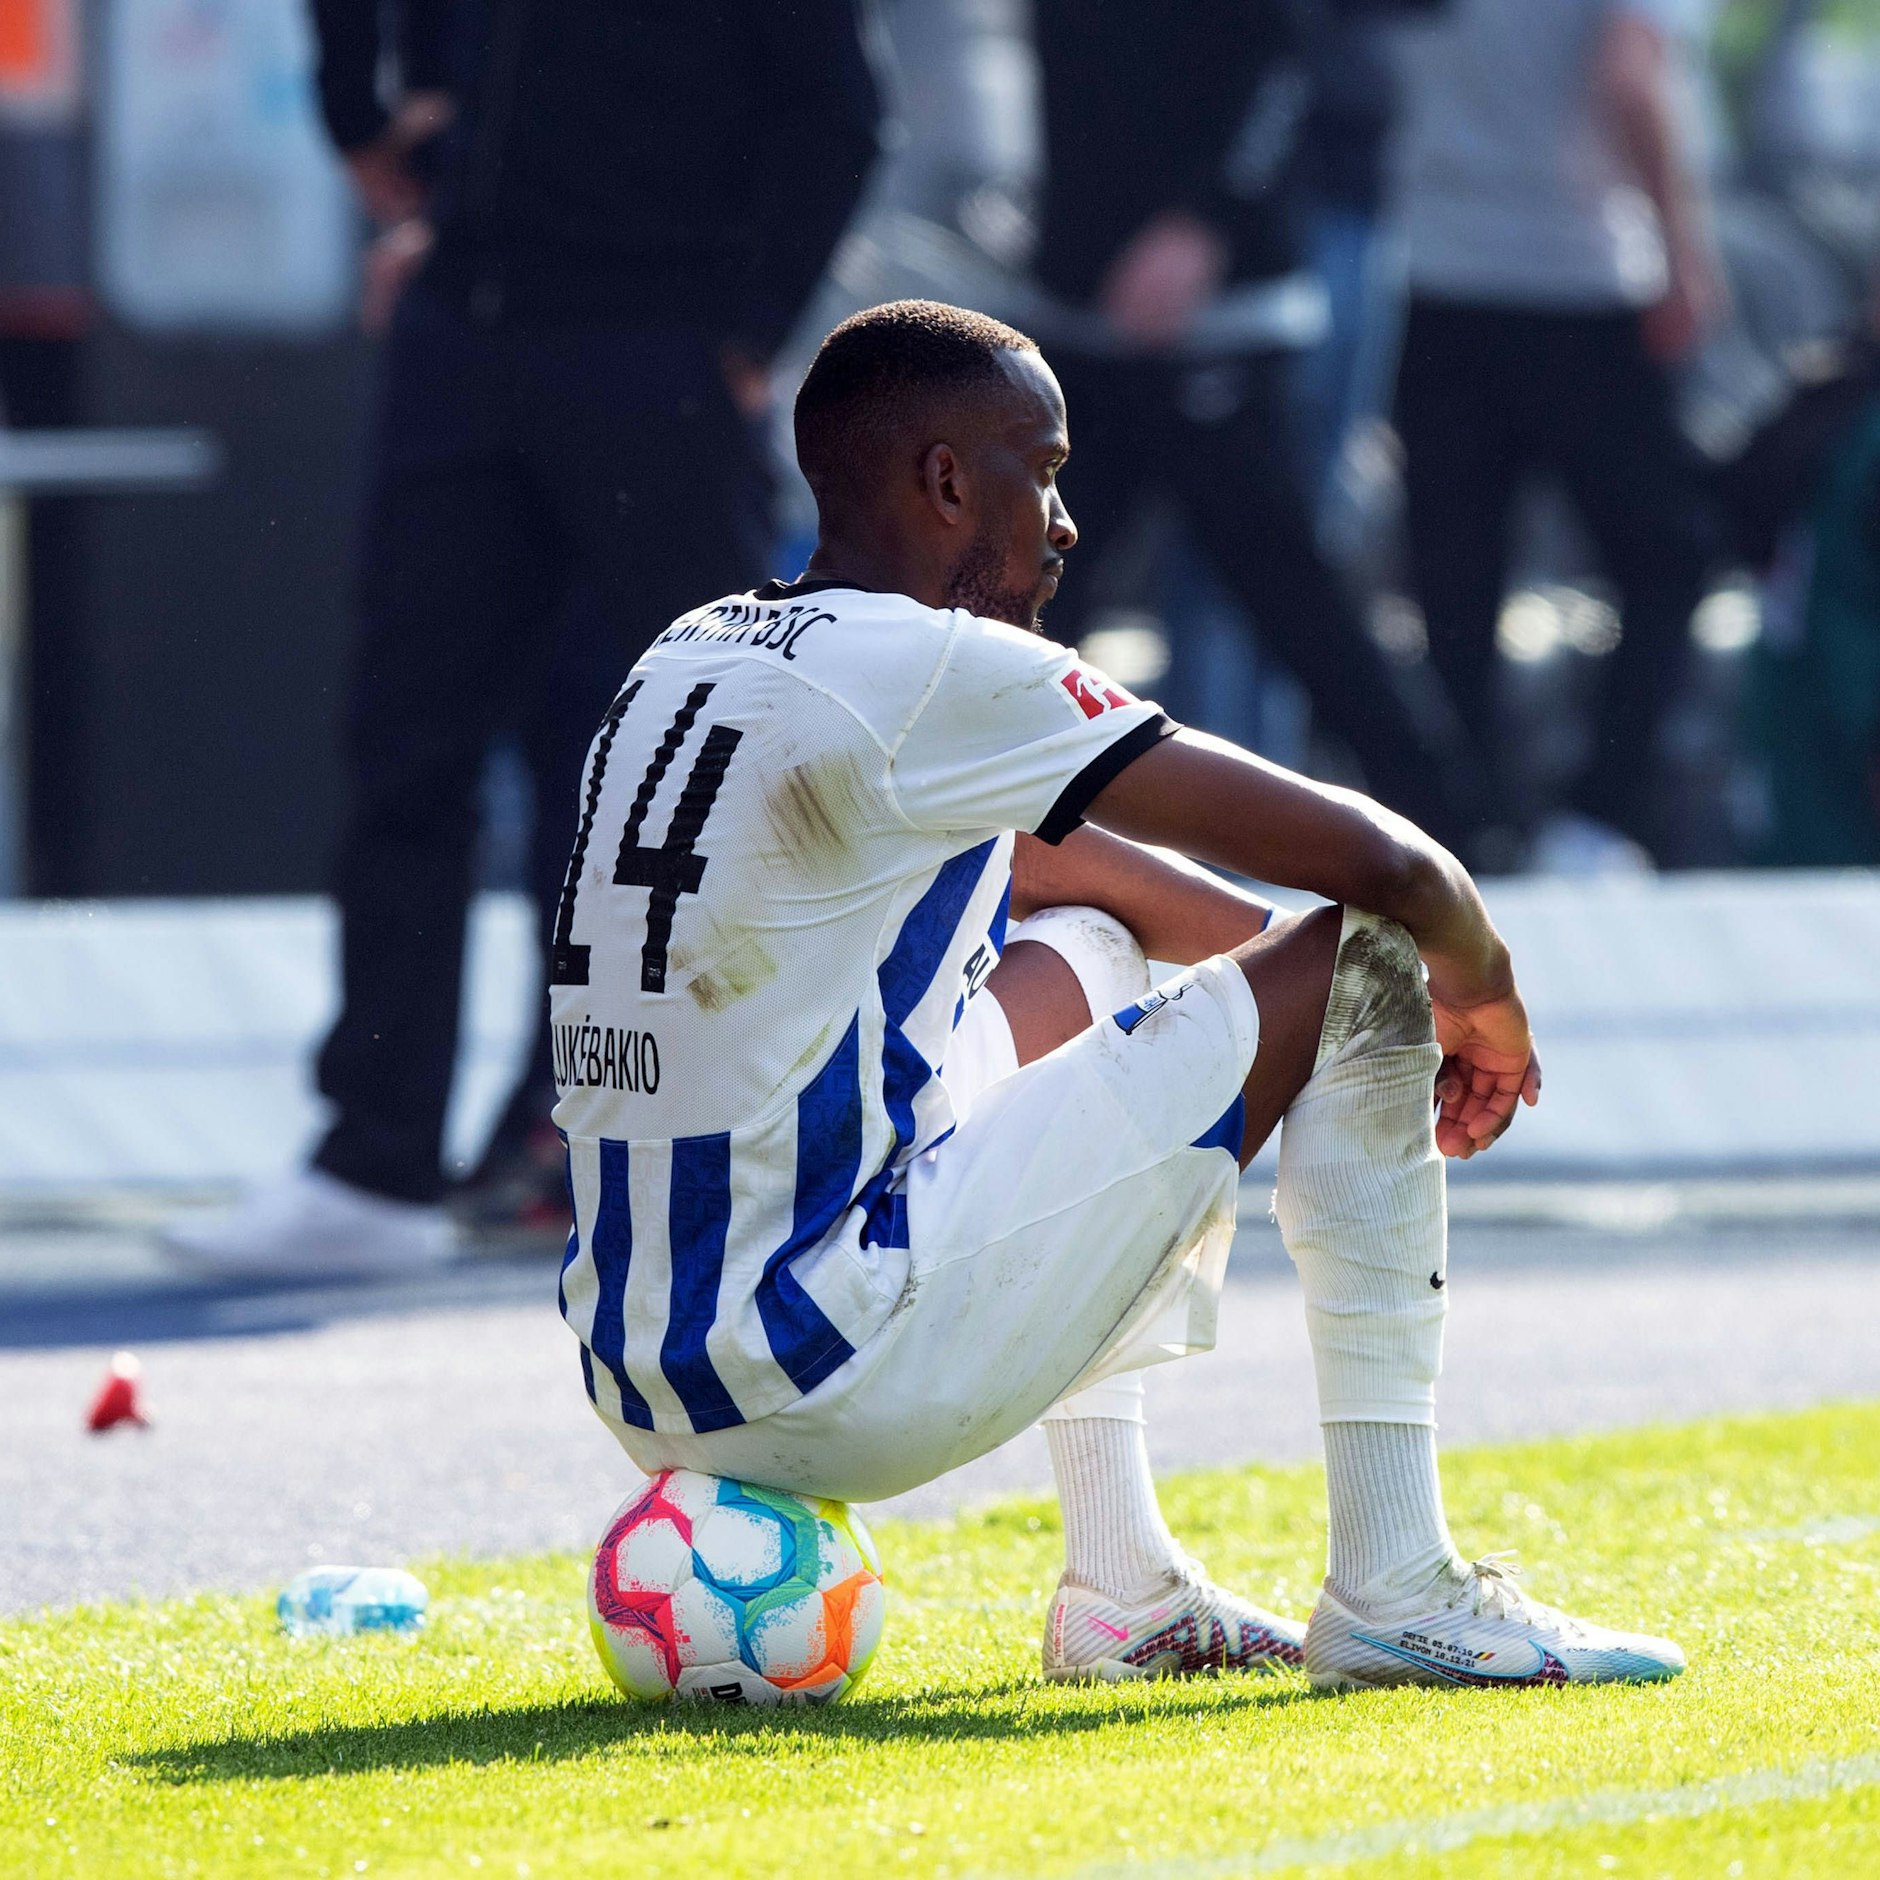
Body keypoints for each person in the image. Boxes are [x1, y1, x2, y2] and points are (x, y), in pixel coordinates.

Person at [558, 299, 1685, 1688]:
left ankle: (1125, 1586)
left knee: (1097, 948)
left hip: (647, 1370)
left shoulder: (693, 648)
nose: (1065, 520)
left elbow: (1049, 862)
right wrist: (1472, 997)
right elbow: (1391, 866)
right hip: (818, 1369)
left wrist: (1306, 1022)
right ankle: (1398, 1586)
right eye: (1041, 470)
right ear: (945, 480)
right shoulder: (932, 669)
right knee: (1371, 950)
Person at [163, 1, 880, 1275]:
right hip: (466, 320)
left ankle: (736, 1152)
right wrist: (356, 106)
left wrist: (747, 331)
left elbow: (840, 110)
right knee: (405, 750)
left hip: (658, 336)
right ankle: (375, 1164)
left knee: (701, 769)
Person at [1018, 0, 1492, 863]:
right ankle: (978, 835)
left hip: (1219, 316)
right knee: (1027, 599)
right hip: (1082, 313)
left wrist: (1205, 219)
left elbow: (1280, 61)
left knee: (1293, 598)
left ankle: (1455, 830)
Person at [1389, 0, 1723, 868]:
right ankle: (1602, 810)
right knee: (1668, 552)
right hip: (1579, 276)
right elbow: (1630, 78)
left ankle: (1463, 818)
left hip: (1433, 267)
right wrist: (1684, 250)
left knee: (1456, 575)